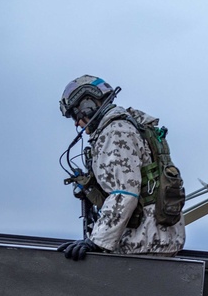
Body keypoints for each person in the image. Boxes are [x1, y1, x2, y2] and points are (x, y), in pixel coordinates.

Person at [57, 75, 185, 260]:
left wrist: (97, 241)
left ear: (87, 106)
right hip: (154, 238)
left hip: (144, 242)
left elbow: (124, 192)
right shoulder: (129, 123)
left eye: (76, 115)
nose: (77, 123)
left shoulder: (116, 132)